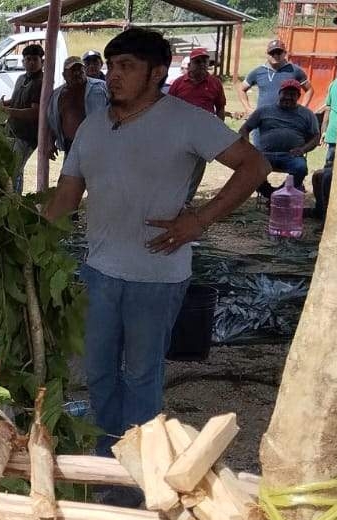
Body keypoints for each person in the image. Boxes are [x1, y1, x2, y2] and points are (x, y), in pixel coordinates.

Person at [45, 28, 268, 459]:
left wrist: (199, 220)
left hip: (157, 276)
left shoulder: (186, 120)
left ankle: (141, 466)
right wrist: (24, 239)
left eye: (127, 66)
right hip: (99, 272)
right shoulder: (93, 128)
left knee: (142, 376)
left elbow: (255, 165)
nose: (113, 76)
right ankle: (107, 459)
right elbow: (66, 198)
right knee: (99, 375)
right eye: (111, 66)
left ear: (158, 72)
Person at [240, 79, 321, 193]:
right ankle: (268, 193)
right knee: (251, 166)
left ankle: (281, 193)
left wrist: (302, 149)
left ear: (298, 96)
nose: (288, 97)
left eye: (292, 94)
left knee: (301, 168)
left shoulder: (307, 114)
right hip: (265, 154)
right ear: (279, 94)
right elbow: (244, 129)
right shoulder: (264, 111)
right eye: (285, 93)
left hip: (292, 155)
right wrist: (248, 148)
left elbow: (316, 136)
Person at [4, 43, 47, 193]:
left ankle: (15, 202)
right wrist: (2, 104)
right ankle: (13, 200)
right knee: (9, 167)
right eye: (27, 59)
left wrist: (8, 111)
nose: (31, 63)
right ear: (23, 61)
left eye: (35, 59)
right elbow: (16, 99)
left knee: (15, 170)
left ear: (42, 61)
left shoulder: (41, 83)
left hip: (27, 135)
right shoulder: (21, 78)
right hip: (12, 130)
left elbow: (34, 113)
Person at [46, 56, 109, 154]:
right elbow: (52, 120)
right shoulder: (57, 95)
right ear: (64, 75)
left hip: (98, 145)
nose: (77, 73)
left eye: (80, 69)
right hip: (70, 146)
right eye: (72, 70)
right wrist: (50, 142)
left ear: (84, 70)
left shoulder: (101, 87)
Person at [239, 39, 310, 116]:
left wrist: (302, 108)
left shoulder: (294, 70)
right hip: (262, 119)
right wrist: (247, 108)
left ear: (285, 53)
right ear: (267, 54)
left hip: (286, 118)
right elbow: (242, 89)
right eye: (272, 53)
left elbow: (309, 90)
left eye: (279, 53)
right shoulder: (258, 72)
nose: (275, 56)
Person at [312, 72, 337, 220]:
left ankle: (324, 209)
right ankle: (326, 211)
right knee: (330, 173)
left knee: (329, 172)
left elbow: (328, 109)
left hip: (334, 133)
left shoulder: (336, 82)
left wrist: (324, 130)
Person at [168, 48, 227, 119]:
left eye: (204, 62)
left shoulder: (215, 83)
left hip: (206, 126)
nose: (202, 64)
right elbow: (169, 106)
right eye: (198, 62)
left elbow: (220, 108)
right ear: (189, 65)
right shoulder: (178, 83)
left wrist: (219, 127)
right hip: (182, 126)